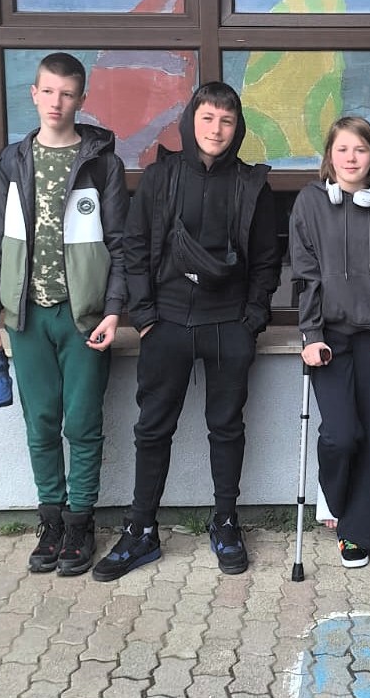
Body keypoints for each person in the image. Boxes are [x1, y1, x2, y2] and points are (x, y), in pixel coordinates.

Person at [94, 82, 280, 581]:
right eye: (207, 118)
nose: (216, 130)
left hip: (229, 325)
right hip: (167, 323)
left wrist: (251, 320)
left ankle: (225, 521)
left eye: (226, 120)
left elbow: (268, 260)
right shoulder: (161, 177)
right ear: (190, 122)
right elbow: (135, 247)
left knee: (227, 427)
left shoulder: (252, 185)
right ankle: (141, 530)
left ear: (238, 127)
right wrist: (145, 316)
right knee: (152, 429)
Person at [0, 51, 127, 577]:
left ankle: (81, 521)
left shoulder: (102, 164)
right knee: (39, 422)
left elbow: (121, 245)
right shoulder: (13, 161)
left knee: (82, 423)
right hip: (26, 317)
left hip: (84, 317)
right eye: (48, 92)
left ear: (81, 99)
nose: (56, 102)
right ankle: (52, 520)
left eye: (67, 93)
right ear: (33, 95)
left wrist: (114, 310)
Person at [288, 116, 370, 568]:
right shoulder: (309, 202)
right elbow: (304, 273)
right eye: (342, 149)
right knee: (341, 435)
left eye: (360, 149)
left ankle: (358, 532)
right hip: (329, 338)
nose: (351, 158)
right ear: (329, 156)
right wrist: (310, 334)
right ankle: (334, 495)